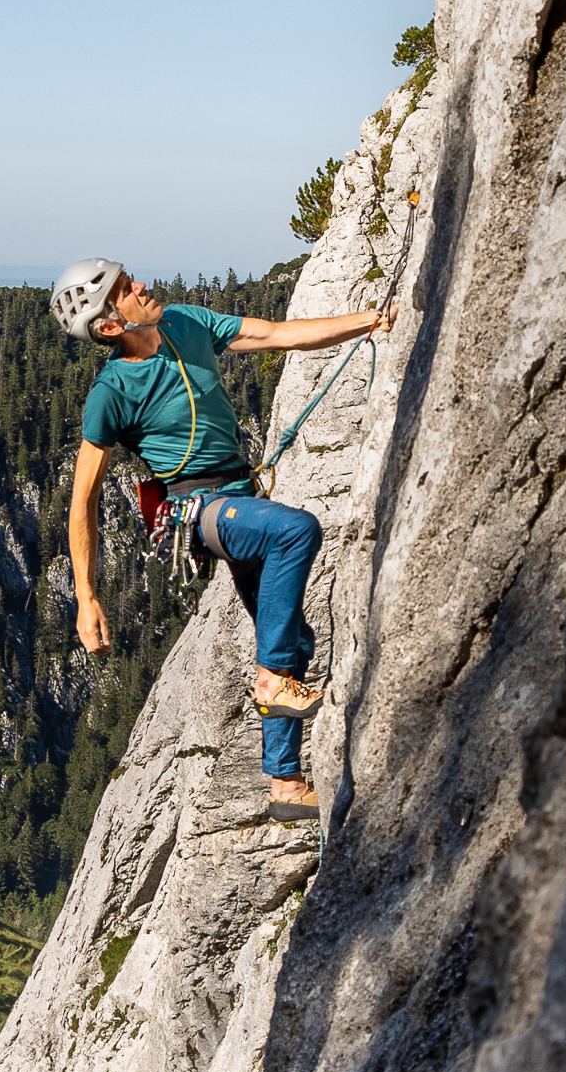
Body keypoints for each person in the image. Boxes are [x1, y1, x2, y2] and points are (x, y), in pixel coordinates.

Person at [53, 258, 389, 820]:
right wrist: (86, 596)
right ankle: (274, 681)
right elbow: (82, 498)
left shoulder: (186, 323)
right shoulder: (112, 392)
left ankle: (285, 785)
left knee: (289, 636)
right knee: (295, 531)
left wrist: (370, 322)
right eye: (125, 290)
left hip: (239, 496)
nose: (141, 286)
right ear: (110, 325)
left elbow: (275, 335)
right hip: (196, 510)